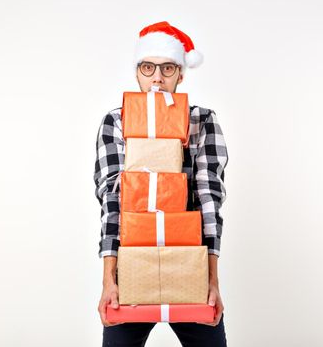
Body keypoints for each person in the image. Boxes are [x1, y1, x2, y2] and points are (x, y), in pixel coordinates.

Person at [93, 21, 229, 347]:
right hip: (131, 264)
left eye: (167, 68)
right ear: (137, 72)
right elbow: (112, 200)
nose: (157, 77)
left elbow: (209, 200)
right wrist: (108, 281)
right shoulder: (116, 122)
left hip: (189, 262)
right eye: (148, 67)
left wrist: (212, 281)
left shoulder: (203, 121)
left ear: (180, 74)